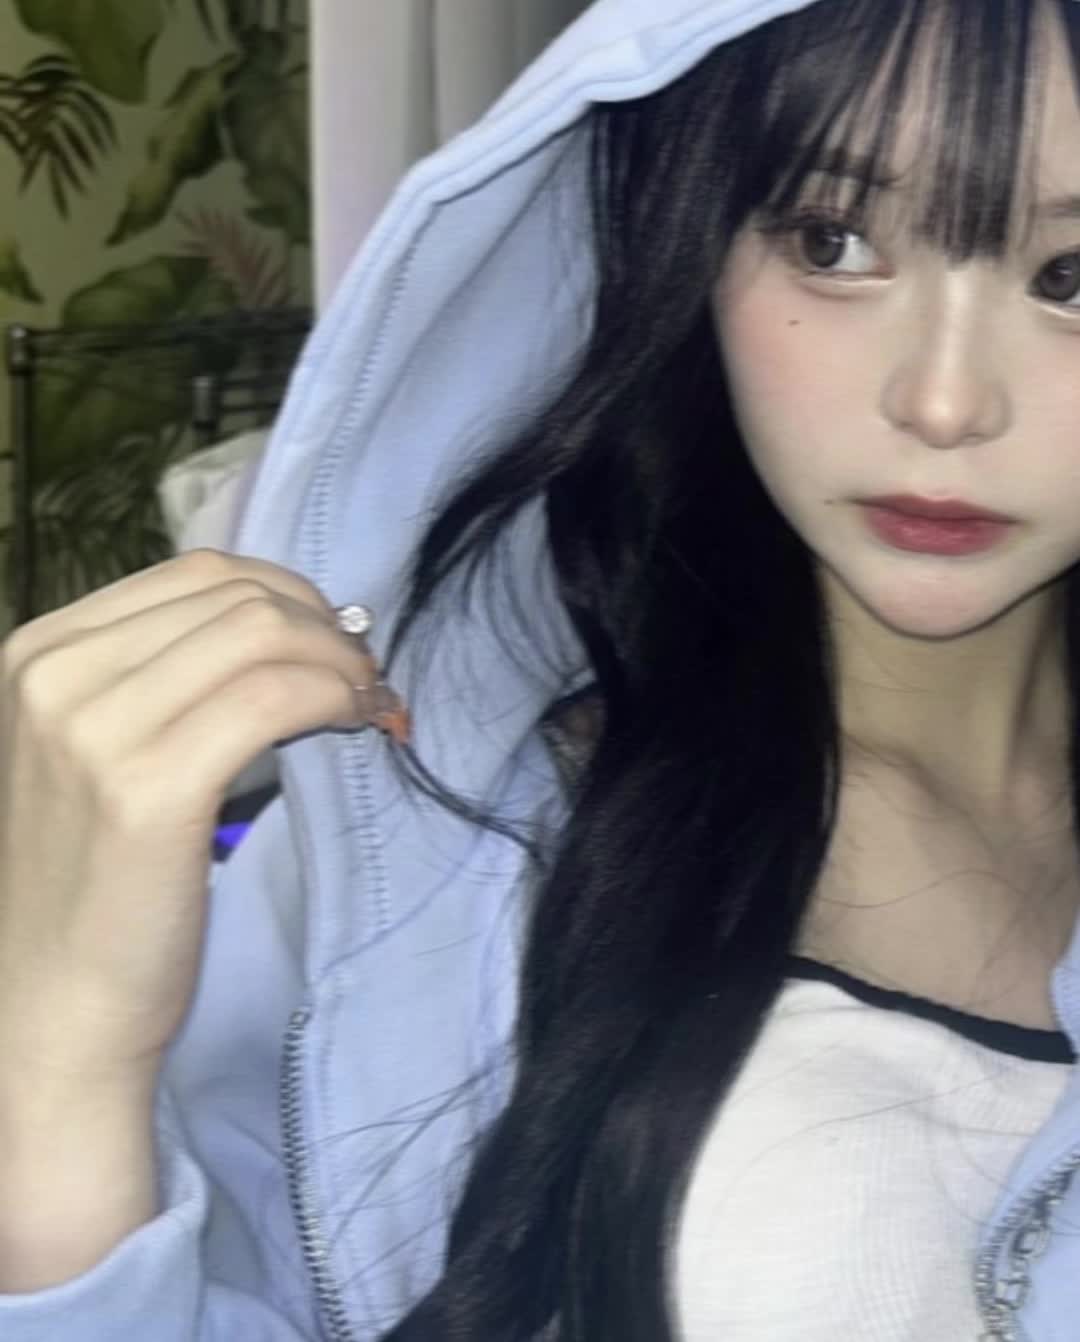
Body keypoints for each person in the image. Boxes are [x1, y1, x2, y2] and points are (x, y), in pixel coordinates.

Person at [3, 0, 1080, 1336]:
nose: (942, 401)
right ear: (689, 241)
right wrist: (55, 1045)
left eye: (1070, 277)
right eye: (830, 241)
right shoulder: (430, 854)